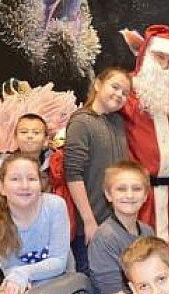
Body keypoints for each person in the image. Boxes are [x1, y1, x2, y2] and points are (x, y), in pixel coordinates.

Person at [121, 25, 169, 268]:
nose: (165, 66)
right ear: (145, 54)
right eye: (159, 57)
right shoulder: (125, 90)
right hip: (140, 197)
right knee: (140, 258)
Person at [0, 154, 72, 294]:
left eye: (31, 179)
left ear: (41, 184)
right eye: (15, 179)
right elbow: (11, 270)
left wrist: (24, 273)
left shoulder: (55, 206)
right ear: (2, 187)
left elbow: (59, 262)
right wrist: (19, 278)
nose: (25, 186)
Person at [65, 67, 131, 274]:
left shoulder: (118, 123)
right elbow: (73, 174)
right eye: (115, 87)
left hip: (116, 225)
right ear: (98, 84)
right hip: (92, 226)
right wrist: (88, 221)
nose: (119, 95)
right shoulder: (81, 121)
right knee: (92, 284)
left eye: (125, 93)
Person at [88, 160, 153, 294]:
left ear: (146, 195)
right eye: (121, 189)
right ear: (108, 195)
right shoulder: (105, 237)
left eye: (136, 189)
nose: (129, 195)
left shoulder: (147, 232)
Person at [0, 113, 52, 216]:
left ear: (46, 140)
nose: (30, 136)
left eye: (36, 132)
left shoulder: (52, 161)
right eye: (24, 132)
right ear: (15, 138)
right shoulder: (4, 161)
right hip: (5, 217)